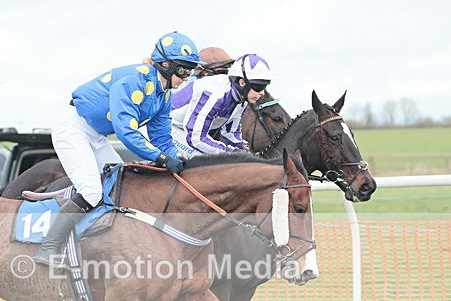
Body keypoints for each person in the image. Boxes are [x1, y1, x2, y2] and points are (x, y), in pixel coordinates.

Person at [32, 31, 200, 268]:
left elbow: (162, 138)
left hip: (97, 136)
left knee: (123, 181)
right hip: (73, 128)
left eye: (191, 70)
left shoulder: (163, 96)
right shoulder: (135, 80)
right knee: (91, 192)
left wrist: (178, 161)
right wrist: (160, 158)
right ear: (165, 65)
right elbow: (126, 132)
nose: (187, 76)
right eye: (183, 70)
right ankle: (47, 248)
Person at [169, 54, 272, 158]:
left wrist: (244, 148)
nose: (262, 93)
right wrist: (229, 152)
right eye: (259, 87)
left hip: (187, 131)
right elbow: (196, 139)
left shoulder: (242, 99)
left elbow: (230, 132)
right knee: (205, 161)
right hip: (169, 126)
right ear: (242, 83)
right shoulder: (214, 94)